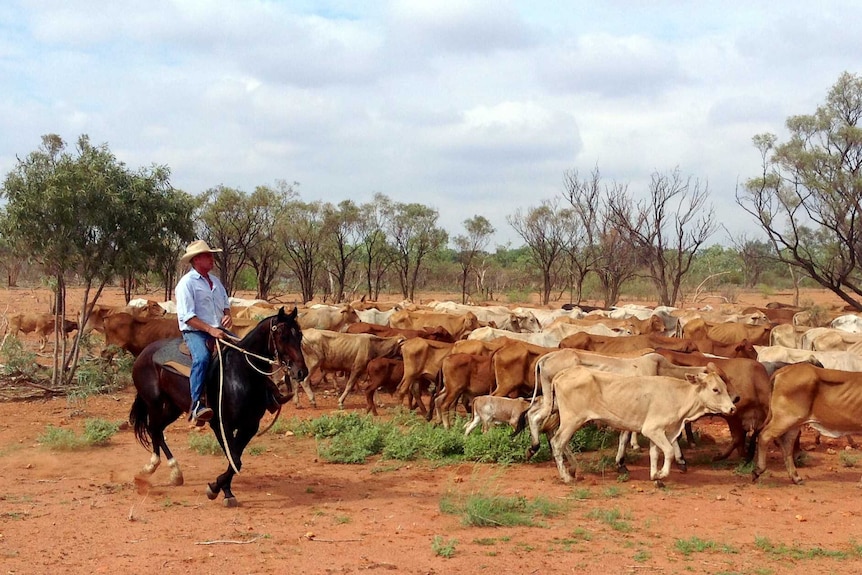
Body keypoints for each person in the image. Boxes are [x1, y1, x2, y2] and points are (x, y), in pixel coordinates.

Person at [175, 240, 232, 425]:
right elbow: (187, 316)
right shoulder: (186, 284)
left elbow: (225, 305)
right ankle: (197, 404)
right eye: (208, 256)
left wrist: (227, 316)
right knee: (201, 359)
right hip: (196, 332)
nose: (212, 259)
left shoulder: (215, 281)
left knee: (246, 350)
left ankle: (268, 393)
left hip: (218, 330)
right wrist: (210, 329)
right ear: (197, 259)